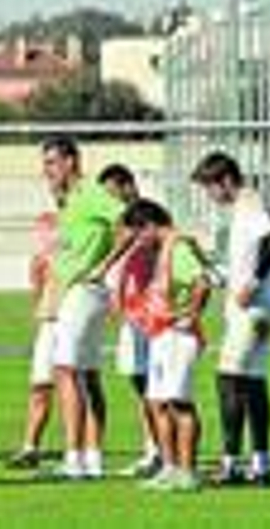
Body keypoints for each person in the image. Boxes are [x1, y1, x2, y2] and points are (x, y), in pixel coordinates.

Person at [192, 152, 270, 486]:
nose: (210, 196)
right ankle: (261, 465)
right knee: (252, 381)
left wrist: (252, 283)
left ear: (226, 180)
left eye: (210, 187)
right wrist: (219, 276)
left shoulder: (249, 203)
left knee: (228, 379)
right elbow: (246, 259)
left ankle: (231, 464)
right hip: (262, 304)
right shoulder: (245, 208)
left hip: (256, 305)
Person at [39, 138, 126, 480]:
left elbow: (126, 224)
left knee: (65, 371)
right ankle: (92, 458)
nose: (47, 171)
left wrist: (105, 264)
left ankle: (73, 458)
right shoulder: (71, 200)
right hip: (75, 292)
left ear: (71, 162)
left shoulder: (92, 193)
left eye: (52, 162)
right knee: (87, 374)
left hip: (84, 291)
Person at [117, 200, 210, 493]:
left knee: (180, 403)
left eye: (138, 234)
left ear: (150, 225)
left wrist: (191, 314)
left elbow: (202, 283)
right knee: (158, 402)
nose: (138, 242)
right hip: (160, 333)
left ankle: (188, 471)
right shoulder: (162, 248)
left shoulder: (178, 247)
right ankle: (170, 468)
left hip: (178, 335)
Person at [97, 165, 163, 478]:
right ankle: (153, 448)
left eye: (112, 191)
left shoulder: (144, 220)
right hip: (130, 314)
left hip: (148, 315)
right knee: (140, 384)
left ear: (128, 186)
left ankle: (161, 451)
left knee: (152, 384)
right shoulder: (121, 222)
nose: (110, 199)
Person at [8, 199, 61, 470]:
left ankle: (85, 451)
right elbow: (37, 279)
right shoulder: (44, 244)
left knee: (76, 387)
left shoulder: (78, 237)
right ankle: (30, 447)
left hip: (72, 319)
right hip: (49, 320)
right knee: (40, 385)